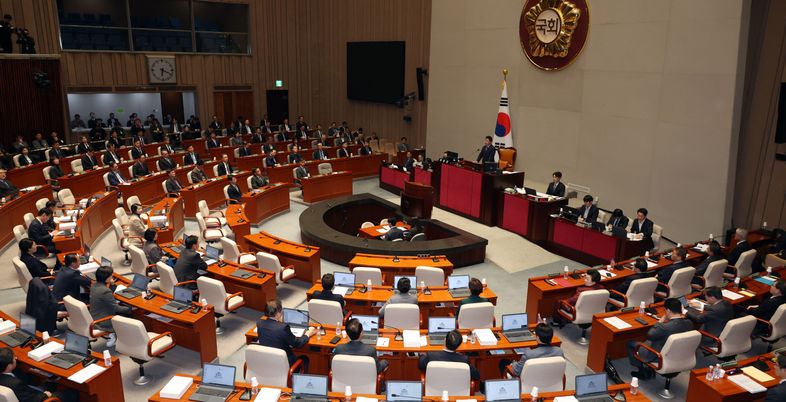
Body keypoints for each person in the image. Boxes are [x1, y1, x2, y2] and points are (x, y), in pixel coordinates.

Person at [628, 298, 693, 379]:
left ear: (668, 310)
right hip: (679, 355)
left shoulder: (664, 327)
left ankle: (643, 372)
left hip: (659, 356)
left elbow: (650, 335)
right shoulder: (689, 323)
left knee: (631, 343)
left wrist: (659, 322)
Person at [0, 347, 75, 402]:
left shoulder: (8, 375)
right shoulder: (16, 384)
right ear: (9, 365)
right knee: (72, 393)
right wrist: (46, 395)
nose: (16, 358)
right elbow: (34, 399)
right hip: (36, 398)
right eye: (14, 358)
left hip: (26, 392)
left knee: (51, 384)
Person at [257, 299, 317, 368]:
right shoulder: (283, 327)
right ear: (279, 313)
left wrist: (278, 321)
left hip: (267, 360)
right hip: (284, 363)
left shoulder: (259, 323)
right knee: (305, 359)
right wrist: (308, 334)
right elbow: (297, 344)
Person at [90, 265, 132, 347]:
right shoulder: (105, 291)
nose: (112, 276)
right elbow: (116, 308)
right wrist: (130, 308)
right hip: (103, 321)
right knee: (129, 314)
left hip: (94, 316)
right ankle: (122, 339)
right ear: (107, 278)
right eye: (111, 275)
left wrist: (110, 284)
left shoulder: (94, 285)